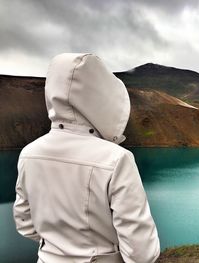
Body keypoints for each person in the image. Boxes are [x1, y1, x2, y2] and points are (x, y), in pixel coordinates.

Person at [12, 53, 160, 263]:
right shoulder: (117, 159)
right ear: (101, 96)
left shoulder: (29, 154)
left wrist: (60, 248)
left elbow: (25, 224)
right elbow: (141, 253)